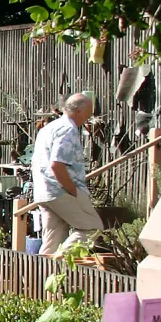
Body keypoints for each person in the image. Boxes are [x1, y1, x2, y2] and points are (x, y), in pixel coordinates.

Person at [32, 93, 103, 257]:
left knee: (52, 241)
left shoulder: (48, 128)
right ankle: (60, 259)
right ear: (79, 111)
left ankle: (41, 272)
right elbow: (57, 164)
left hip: (44, 191)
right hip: (61, 191)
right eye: (89, 112)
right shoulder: (68, 129)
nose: (89, 116)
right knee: (92, 228)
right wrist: (73, 190)